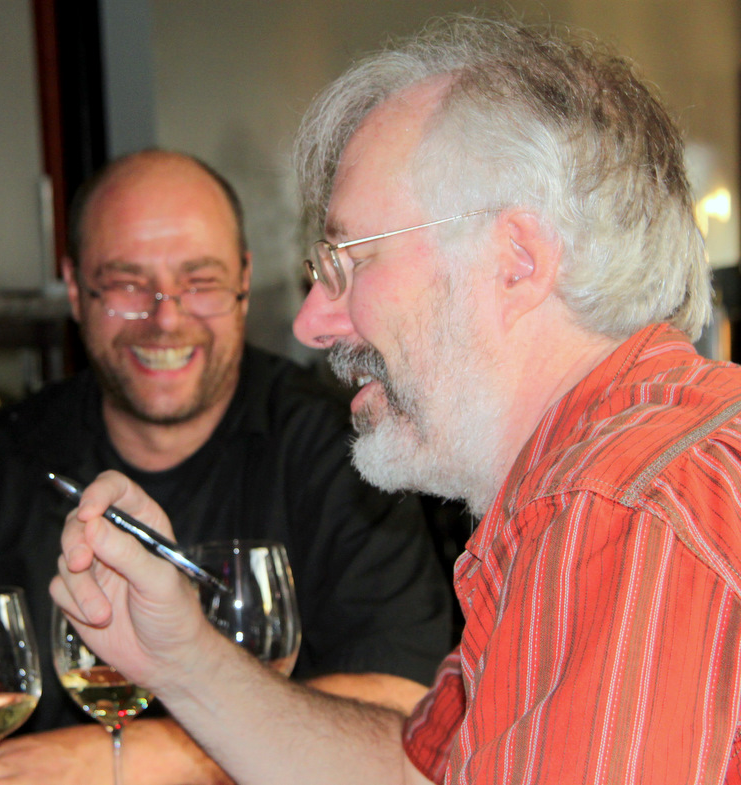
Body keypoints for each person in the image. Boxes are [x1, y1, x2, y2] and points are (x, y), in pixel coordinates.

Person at [51, 15, 741, 785]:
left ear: (516, 260)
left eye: (349, 260)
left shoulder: (614, 505)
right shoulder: (586, 485)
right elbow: (416, 774)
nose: (312, 323)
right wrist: (178, 657)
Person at [0, 150, 453, 784]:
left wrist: (127, 756)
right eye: (126, 285)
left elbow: (400, 706)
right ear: (76, 289)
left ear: (244, 283)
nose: (165, 318)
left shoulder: (347, 452)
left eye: (199, 281)